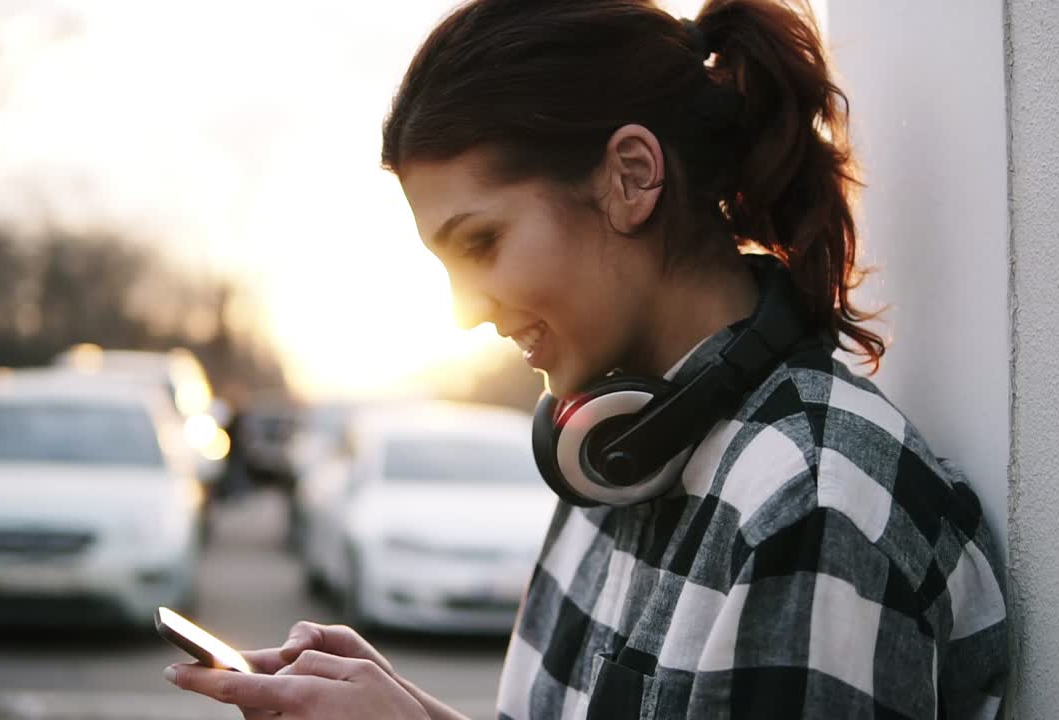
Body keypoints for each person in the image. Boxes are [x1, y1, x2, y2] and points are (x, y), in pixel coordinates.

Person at [163, 0, 1010, 717]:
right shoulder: (617, 452)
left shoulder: (811, 510)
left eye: (482, 241)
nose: (465, 311)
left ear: (632, 176)